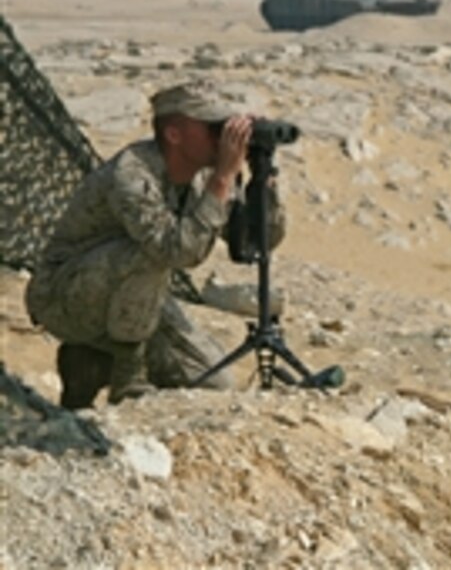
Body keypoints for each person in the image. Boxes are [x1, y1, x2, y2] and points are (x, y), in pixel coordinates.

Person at [24, 79, 286, 409]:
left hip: (132, 298)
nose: (221, 138)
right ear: (174, 134)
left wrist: (265, 180)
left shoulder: (205, 174)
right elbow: (175, 251)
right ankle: (128, 376)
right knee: (152, 254)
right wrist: (222, 180)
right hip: (65, 297)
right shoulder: (132, 173)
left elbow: (258, 242)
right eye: (212, 128)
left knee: (211, 380)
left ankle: (90, 363)